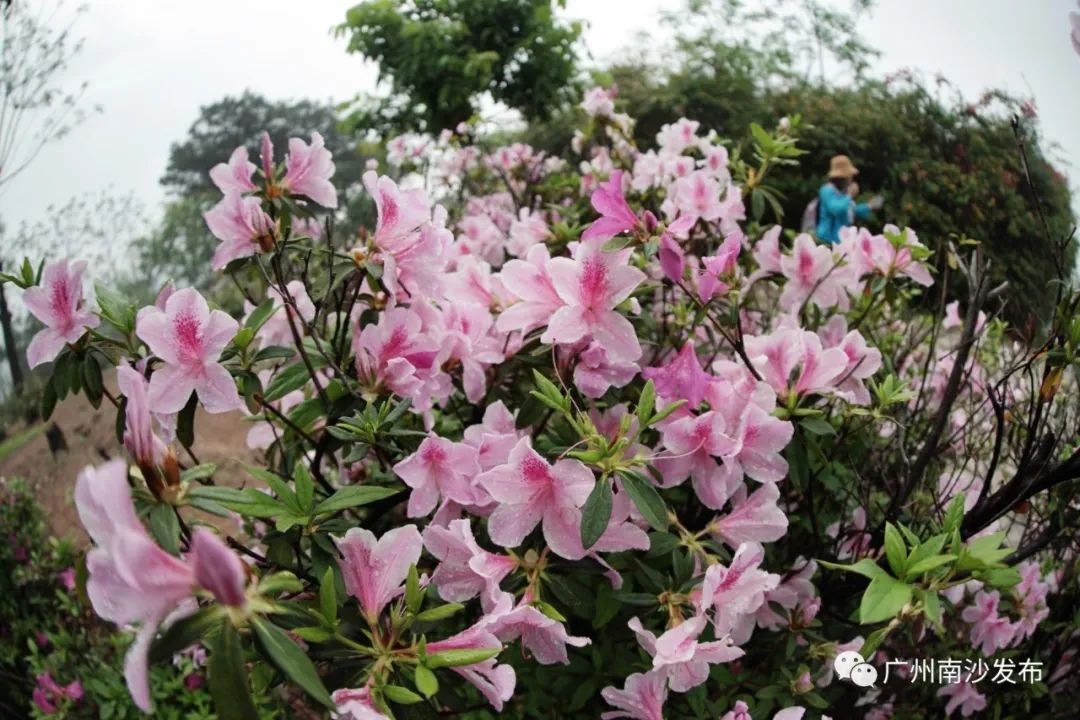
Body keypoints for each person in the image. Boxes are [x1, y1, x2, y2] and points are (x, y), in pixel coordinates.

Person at [807, 155, 883, 244]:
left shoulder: (842, 193)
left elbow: (851, 211)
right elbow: (835, 209)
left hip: (840, 240)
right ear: (842, 177)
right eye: (849, 176)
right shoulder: (827, 190)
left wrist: (869, 206)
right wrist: (849, 195)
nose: (851, 179)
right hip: (827, 240)